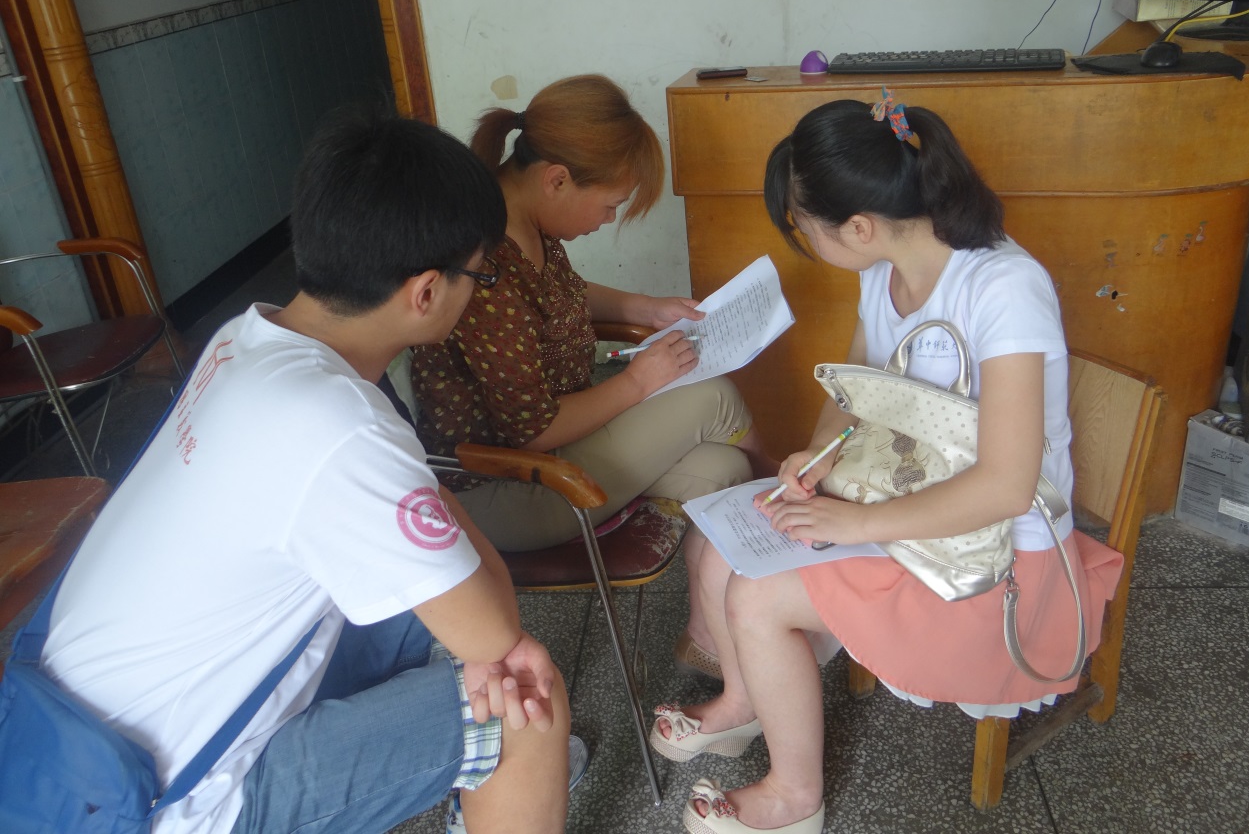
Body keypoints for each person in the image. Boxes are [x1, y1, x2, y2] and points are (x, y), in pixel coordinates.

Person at [40, 108, 572, 834]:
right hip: (164, 802)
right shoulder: (340, 425)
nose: (479, 290)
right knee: (526, 704)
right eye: (478, 275)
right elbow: (492, 631)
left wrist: (473, 626)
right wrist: (491, 645)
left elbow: (413, 521)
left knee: (421, 615)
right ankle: (510, 768)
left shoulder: (244, 336)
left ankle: (484, 784)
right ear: (425, 293)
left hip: (70, 742)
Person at [648, 94, 1125, 833]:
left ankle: (794, 797)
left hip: (993, 557)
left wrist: (851, 524)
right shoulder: (884, 270)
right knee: (717, 550)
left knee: (755, 598)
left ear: (859, 226)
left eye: (805, 227)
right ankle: (743, 706)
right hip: (901, 499)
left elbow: (1005, 487)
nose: (806, 240)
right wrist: (816, 456)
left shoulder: (1003, 288)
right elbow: (856, 391)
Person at [411, 74, 775, 680]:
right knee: (715, 397)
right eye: (609, 205)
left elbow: (563, 294)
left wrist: (643, 308)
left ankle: (706, 636)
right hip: (504, 486)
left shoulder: (525, 221)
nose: (609, 220)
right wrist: (639, 381)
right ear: (556, 179)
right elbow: (533, 432)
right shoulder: (485, 260)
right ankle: (791, 514)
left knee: (722, 468)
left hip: (559, 451)